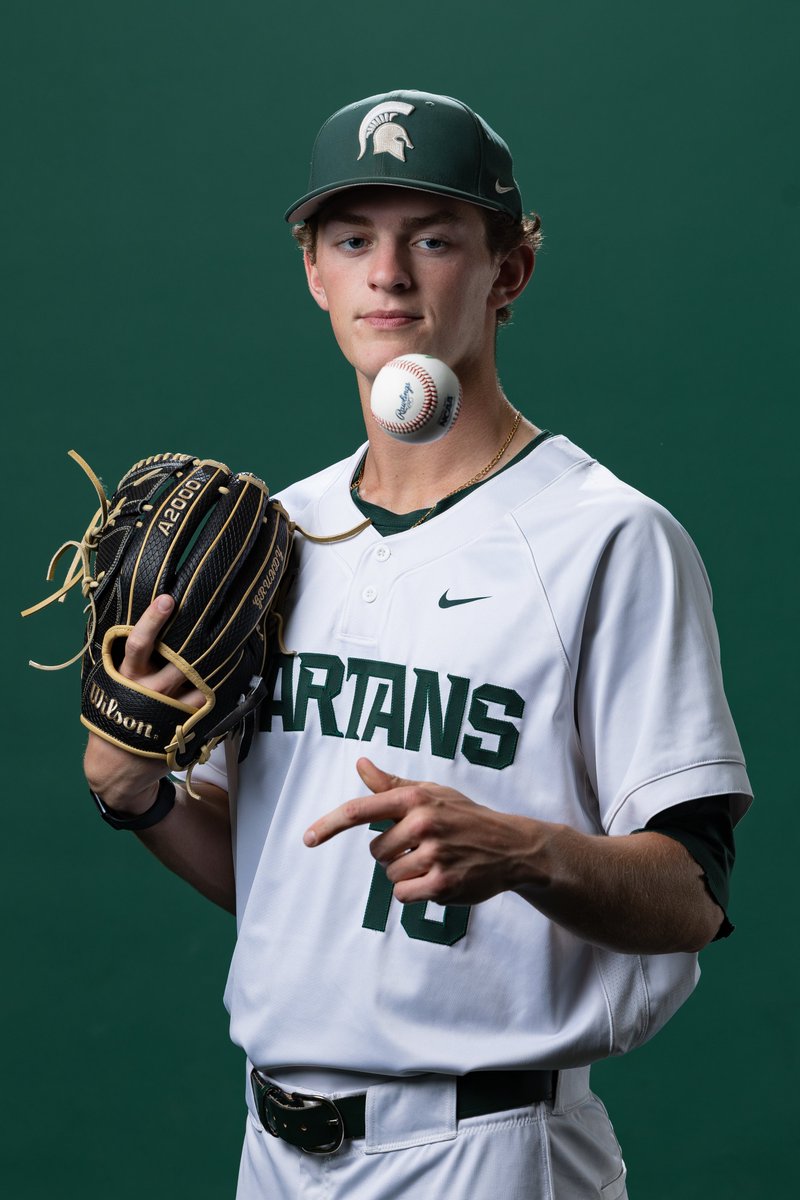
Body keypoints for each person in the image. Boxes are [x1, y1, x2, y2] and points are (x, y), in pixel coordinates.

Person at [83, 90, 752, 1198]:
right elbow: (282, 887)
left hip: (486, 1150)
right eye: (353, 240)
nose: (387, 275)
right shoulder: (270, 539)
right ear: (315, 273)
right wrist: (139, 793)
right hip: (275, 1150)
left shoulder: (605, 539)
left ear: (508, 274)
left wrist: (522, 850)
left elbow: (688, 896)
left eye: (433, 239)